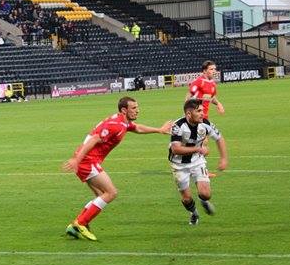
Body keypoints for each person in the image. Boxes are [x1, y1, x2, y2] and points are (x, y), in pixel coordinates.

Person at [61, 97, 173, 241]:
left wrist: (159, 130)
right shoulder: (116, 125)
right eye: (134, 108)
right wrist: (77, 159)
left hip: (87, 161)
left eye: (137, 107)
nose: (137, 110)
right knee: (111, 192)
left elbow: (137, 127)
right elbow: (94, 139)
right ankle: (80, 223)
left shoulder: (123, 122)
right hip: (87, 161)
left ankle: (75, 225)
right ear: (124, 110)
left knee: (101, 195)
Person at [169, 99, 229, 225]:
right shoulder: (178, 126)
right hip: (179, 165)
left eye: (202, 110)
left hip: (197, 162)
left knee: (206, 194)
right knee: (186, 199)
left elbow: (219, 138)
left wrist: (223, 158)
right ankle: (194, 213)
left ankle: (203, 201)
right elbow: (175, 149)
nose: (203, 113)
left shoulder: (205, 124)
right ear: (189, 114)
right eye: (199, 111)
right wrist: (198, 149)